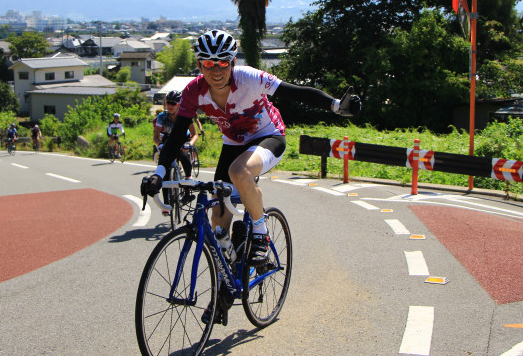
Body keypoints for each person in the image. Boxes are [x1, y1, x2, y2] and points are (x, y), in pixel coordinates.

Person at [141, 30, 360, 267]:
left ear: (233, 62)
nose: (216, 71)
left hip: (269, 136)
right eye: (209, 63)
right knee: (217, 219)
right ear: (199, 65)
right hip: (233, 144)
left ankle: (260, 234)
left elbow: (294, 91)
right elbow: (174, 139)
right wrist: (158, 174)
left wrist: (336, 106)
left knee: (239, 172)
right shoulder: (193, 92)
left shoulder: (248, 78)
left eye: (223, 62)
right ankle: (226, 284)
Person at [153, 90, 199, 179]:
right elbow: (156, 136)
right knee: (163, 156)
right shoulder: (162, 116)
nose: (170, 106)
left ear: (179, 104)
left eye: (173, 104)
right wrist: (159, 144)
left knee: (183, 153)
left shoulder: (185, 114)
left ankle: (188, 177)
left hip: (183, 137)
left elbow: (195, 135)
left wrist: (189, 144)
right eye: (168, 103)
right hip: (169, 137)